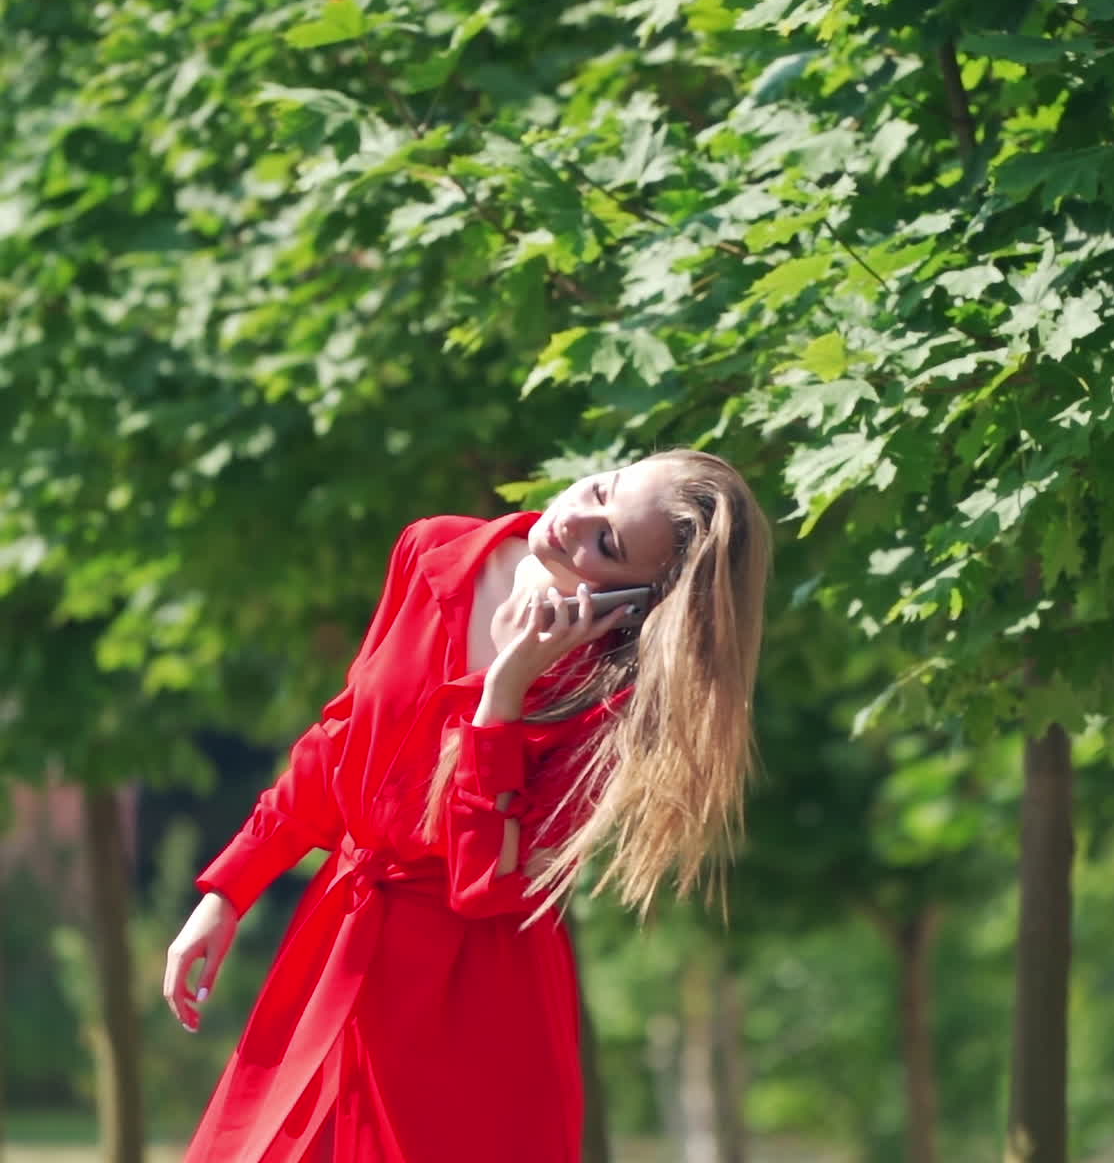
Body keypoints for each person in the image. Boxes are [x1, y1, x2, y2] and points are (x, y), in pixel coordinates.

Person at [164, 448, 770, 1163]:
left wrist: (502, 697)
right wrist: (228, 890)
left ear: (643, 598)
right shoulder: (433, 551)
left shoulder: (615, 696)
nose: (574, 521)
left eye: (607, 546)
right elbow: (341, 739)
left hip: (473, 1000)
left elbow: (489, 883)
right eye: (600, 491)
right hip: (340, 943)